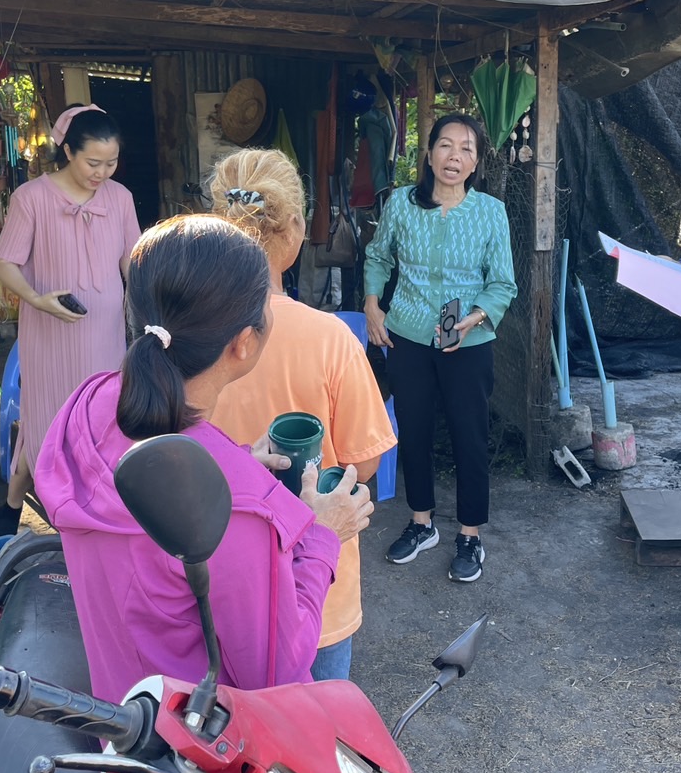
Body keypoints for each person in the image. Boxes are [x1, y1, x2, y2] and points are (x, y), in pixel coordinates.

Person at [35, 214, 373, 708]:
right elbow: (274, 670)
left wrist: (235, 460)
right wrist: (322, 536)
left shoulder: (87, 406)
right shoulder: (234, 512)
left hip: (122, 723)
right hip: (197, 763)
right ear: (243, 343)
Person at [206, 150, 397, 681]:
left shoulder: (189, 338)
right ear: (293, 228)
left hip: (214, 582)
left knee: (227, 748)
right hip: (314, 585)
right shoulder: (330, 338)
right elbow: (366, 462)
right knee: (313, 749)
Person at [363, 112, 517, 583]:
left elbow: (503, 284)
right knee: (413, 430)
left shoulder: (490, 211)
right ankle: (421, 521)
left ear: (476, 162)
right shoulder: (402, 205)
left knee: (469, 435)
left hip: (468, 343)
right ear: (428, 154)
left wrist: (473, 318)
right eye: (446, 145)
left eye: (466, 148)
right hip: (408, 335)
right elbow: (378, 254)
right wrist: (372, 304)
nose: (455, 156)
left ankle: (469, 533)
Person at [0, 106, 139, 535]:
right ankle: (19, 506)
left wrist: (150, 307)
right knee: (47, 426)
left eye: (110, 163)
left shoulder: (121, 198)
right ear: (68, 151)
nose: (102, 173)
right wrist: (37, 299)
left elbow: (133, 261)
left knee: (101, 425)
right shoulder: (32, 198)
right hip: (50, 336)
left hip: (105, 337)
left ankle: (89, 522)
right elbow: (5, 264)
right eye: (93, 162)